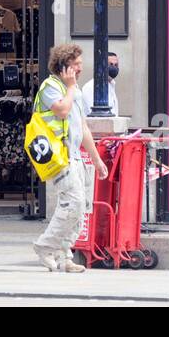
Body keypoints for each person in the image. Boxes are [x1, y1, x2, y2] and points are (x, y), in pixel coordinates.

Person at [32, 43, 109, 273]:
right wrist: (70, 87)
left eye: (80, 64)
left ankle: (65, 255)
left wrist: (96, 159)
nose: (79, 68)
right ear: (64, 66)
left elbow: (82, 126)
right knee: (73, 202)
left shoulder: (72, 89)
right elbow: (62, 111)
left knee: (81, 206)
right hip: (57, 155)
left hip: (73, 155)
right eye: (75, 65)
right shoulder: (51, 87)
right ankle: (45, 246)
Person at [78, 51, 120, 117]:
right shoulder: (91, 87)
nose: (113, 67)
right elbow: (93, 113)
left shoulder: (111, 85)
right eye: (110, 64)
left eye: (116, 65)